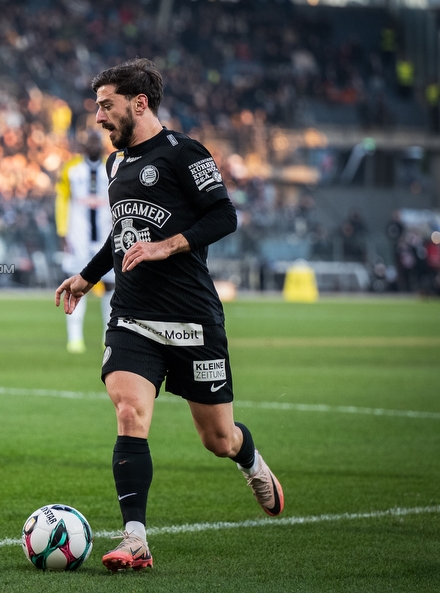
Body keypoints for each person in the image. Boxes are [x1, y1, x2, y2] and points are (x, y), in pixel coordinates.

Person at [55, 58, 284, 572]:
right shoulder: (115, 165)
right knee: (129, 411)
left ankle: (249, 459)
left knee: (216, 438)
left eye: (105, 106)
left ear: (139, 104)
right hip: (133, 314)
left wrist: (168, 246)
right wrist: (88, 276)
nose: (97, 118)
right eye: (96, 107)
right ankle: (135, 538)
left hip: (192, 318)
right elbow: (121, 232)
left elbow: (226, 215)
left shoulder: (186, 153)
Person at [55, 130, 114, 353]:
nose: (92, 146)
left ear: (101, 145)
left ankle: (107, 337)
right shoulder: (71, 169)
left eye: (95, 142)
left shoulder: (112, 167)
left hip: (105, 238)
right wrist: (62, 232)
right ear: (83, 146)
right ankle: (75, 339)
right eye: (88, 142)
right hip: (77, 238)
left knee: (111, 286)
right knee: (74, 285)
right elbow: (62, 200)